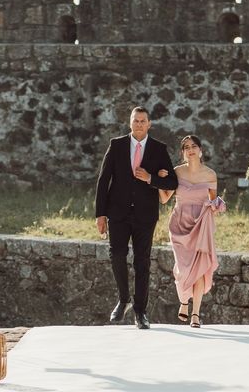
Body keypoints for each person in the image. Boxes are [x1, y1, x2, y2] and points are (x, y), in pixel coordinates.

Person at [95, 106, 178, 329]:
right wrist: (100, 214)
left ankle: (140, 312)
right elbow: (104, 181)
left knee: (142, 263)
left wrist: (151, 178)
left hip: (145, 215)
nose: (139, 124)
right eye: (135, 120)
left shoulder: (159, 149)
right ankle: (123, 299)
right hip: (117, 213)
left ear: (149, 124)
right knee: (116, 256)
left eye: (143, 121)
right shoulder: (117, 145)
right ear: (130, 123)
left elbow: (172, 182)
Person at [158, 135, 225, 328]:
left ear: (201, 150)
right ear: (183, 153)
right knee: (183, 269)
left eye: (194, 146)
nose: (190, 150)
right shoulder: (176, 172)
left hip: (201, 225)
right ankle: (183, 300)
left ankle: (195, 314)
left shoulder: (210, 174)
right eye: (186, 147)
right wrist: (160, 181)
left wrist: (217, 205)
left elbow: (214, 201)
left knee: (200, 269)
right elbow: (164, 199)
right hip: (180, 224)